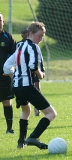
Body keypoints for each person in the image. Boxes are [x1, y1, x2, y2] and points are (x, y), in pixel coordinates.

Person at [3, 21, 57, 149]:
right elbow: (33, 66)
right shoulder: (33, 47)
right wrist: (40, 74)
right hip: (27, 86)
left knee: (26, 111)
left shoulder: (20, 46)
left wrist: (13, 75)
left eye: (43, 37)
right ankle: (33, 137)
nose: (41, 39)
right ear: (31, 33)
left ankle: (21, 143)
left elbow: (6, 66)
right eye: (39, 36)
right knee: (51, 114)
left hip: (16, 86)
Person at [17, 28, 41, 116]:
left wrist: (40, 70)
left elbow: (39, 58)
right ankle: (25, 104)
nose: (24, 35)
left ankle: (37, 107)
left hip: (34, 70)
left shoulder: (34, 45)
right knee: (26, 89)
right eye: (23, 33)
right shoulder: (19, 45)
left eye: (26, 33)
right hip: (24, 72)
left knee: (37, 87)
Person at [0, 13, 16, 134]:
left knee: (7, 101)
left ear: (3, 21)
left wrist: (10, 70)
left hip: (4, 77)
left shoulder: (8, 37)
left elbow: (15, 55)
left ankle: (9, 128)